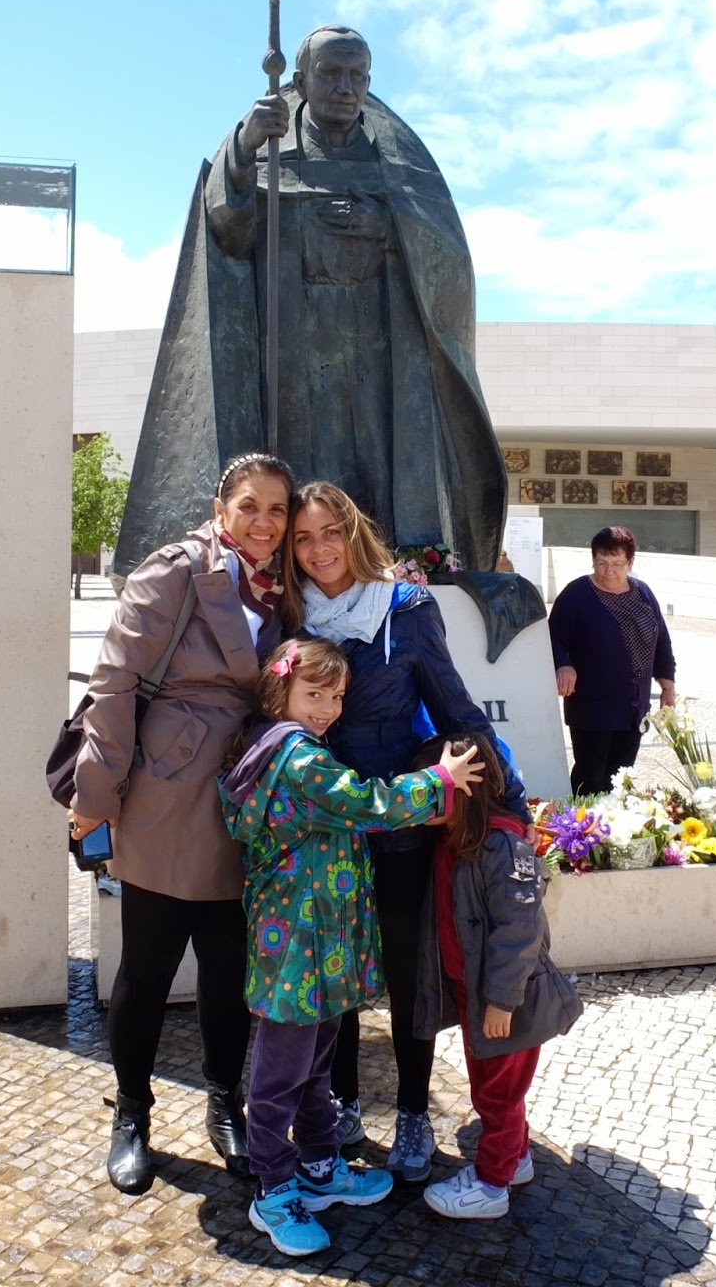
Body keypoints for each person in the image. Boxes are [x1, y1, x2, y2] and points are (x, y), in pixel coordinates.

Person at [114, 24, 507, 579]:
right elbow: (228, 232)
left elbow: (449, 257)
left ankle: (392, 574)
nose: (346, 87)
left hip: (381, 355)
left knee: (378, 473)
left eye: (358, 75)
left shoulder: (398, 162)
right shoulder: (269, 149)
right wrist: (244, 150)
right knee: (303, 471)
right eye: (331, 74)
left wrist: (390, 228)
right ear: (300, 80)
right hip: (295, 354)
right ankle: (298, 576)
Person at [281, 480, 532, 1183]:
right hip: (326, 831)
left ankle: (416, 1113)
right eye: (304, 538)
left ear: (353, 532)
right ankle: (344, 1103)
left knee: (405, 974)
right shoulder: (295, 617)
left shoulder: (407, 608)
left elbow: (456, 707)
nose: (319, 547)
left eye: (330, 531)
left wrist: (509, 798)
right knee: (337, 976)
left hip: (402, 826)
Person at [68, 452, 294, 1196]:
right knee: (148, 967)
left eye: (276, 510)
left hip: (244, 796)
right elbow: (114, 680)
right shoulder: (176, 569)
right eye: (250, 506)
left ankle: (224, 1101)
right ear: (220, 506)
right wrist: (96, 793)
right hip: (167, 792)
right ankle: (132, 1111)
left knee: (230, 972)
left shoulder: (286, 584)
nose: (264, 523)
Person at [219, 637, 485, 1256]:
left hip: (320, 944)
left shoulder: (298, 747)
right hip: (296, 947)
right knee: (281, 1073)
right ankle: (273, 1188)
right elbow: (369, 804)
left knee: (315, 1066)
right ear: (279, 691)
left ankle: (316, 1166)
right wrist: (438, 779)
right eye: (314, 694)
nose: (328, 708)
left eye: (336, 697)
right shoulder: (301, 760)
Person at [414, 734, 583, 1220]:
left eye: (430, 791)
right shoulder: (456, 839)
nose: (418, 801)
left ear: (464, 791)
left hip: (507, 1001)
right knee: (495, 1087)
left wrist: (501, 1002)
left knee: (498, 1093)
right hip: (480, 995)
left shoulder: (503, 847)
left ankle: (491, 1186)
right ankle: (515, 1158)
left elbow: (520, 930)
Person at [548, 526, 677, 797]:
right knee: (590, 776)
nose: (609, 571)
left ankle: (612, 833)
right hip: (592, 706)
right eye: (602, 563)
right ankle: (579, 832)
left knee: (621, 779)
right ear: (593, 560)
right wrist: (563, 664)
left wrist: (667, 686)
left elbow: (661, 641)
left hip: (633, 708)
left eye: (617, 564)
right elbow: (552, 638)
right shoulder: (577, 595)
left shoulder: (643, 593)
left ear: (631, 562)